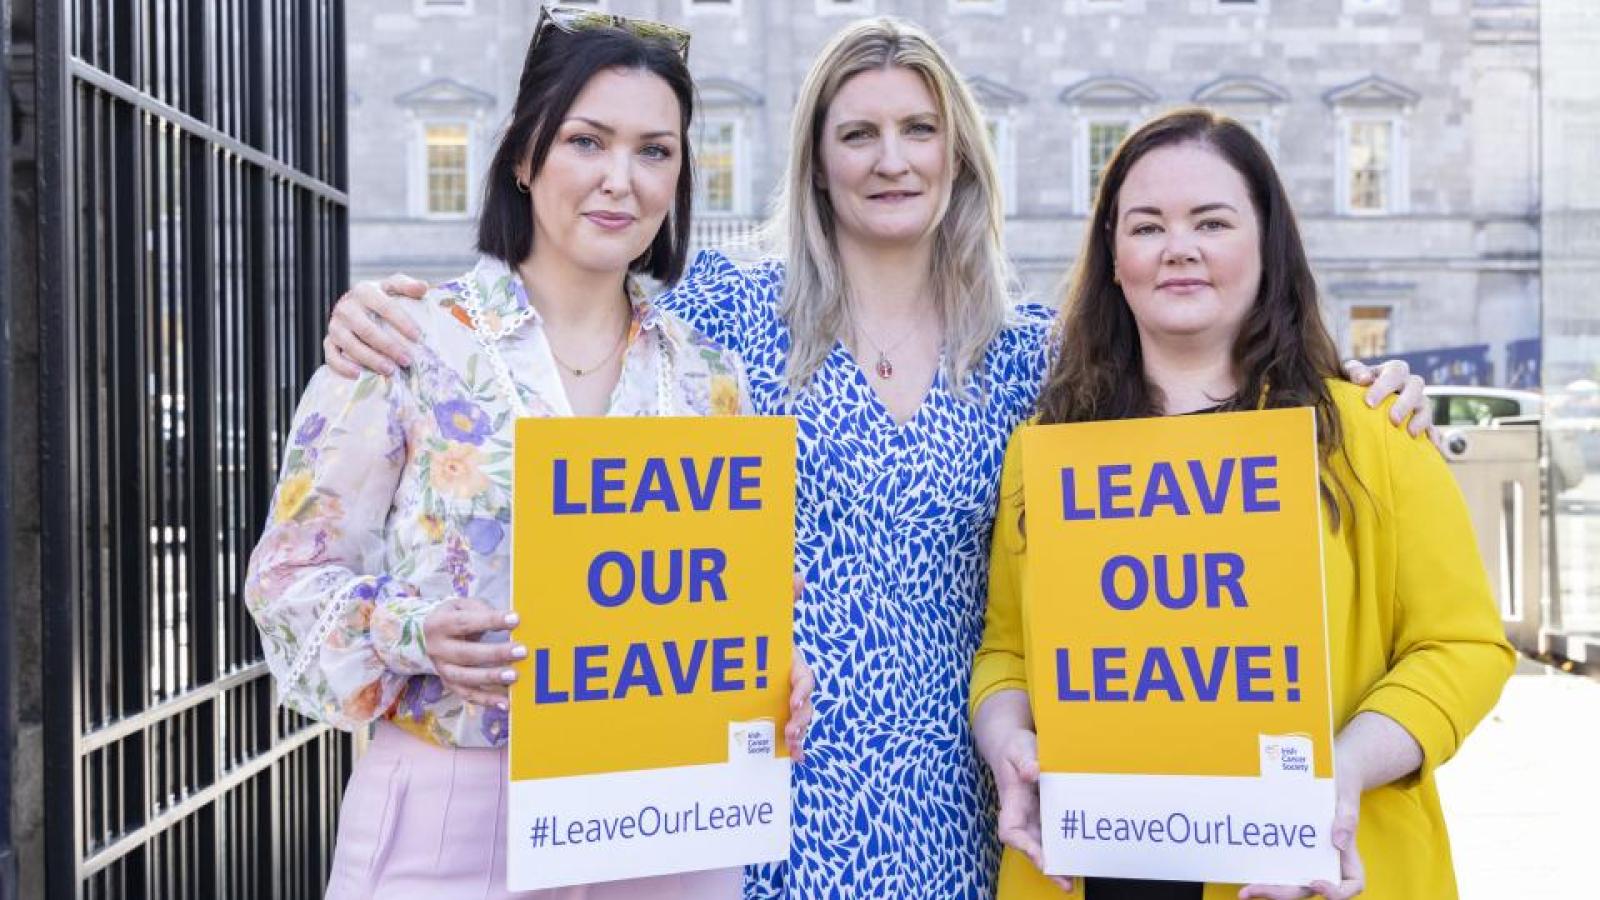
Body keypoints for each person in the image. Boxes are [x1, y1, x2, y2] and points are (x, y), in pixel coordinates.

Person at [320, 18, 1430, 899]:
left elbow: (1208, 442)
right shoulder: (716, 320)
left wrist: (1380, 391)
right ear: (814, 161)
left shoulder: (1048, 362)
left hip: (967, 798)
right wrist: (386, 311)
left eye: (919, 130)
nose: (890, 159)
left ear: (961, 154)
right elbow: (563, 308)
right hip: (738, 797)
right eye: (857, 134)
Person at [244, 11, 812, 899]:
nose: (619, 180)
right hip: (454, 814)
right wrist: (412, 631)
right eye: (588, 141)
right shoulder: (406, 342)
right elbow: (288, 580)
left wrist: (773, 673)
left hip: (666, 819)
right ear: (523, 154)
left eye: (654, 151)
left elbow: (741, 590)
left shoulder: (711, 380)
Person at [969, 108, 1514, 900]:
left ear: (1266, 247)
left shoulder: (1373, 432)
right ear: (1114, 258)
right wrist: (1008, 744)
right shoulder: (1046, 449)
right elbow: (1008, 652)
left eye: (1212, 222)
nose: (1178, 247)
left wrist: (1343, 772)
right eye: (1147, 225)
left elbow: (1462, 648)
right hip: (1087, 866)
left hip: (1310, 870)